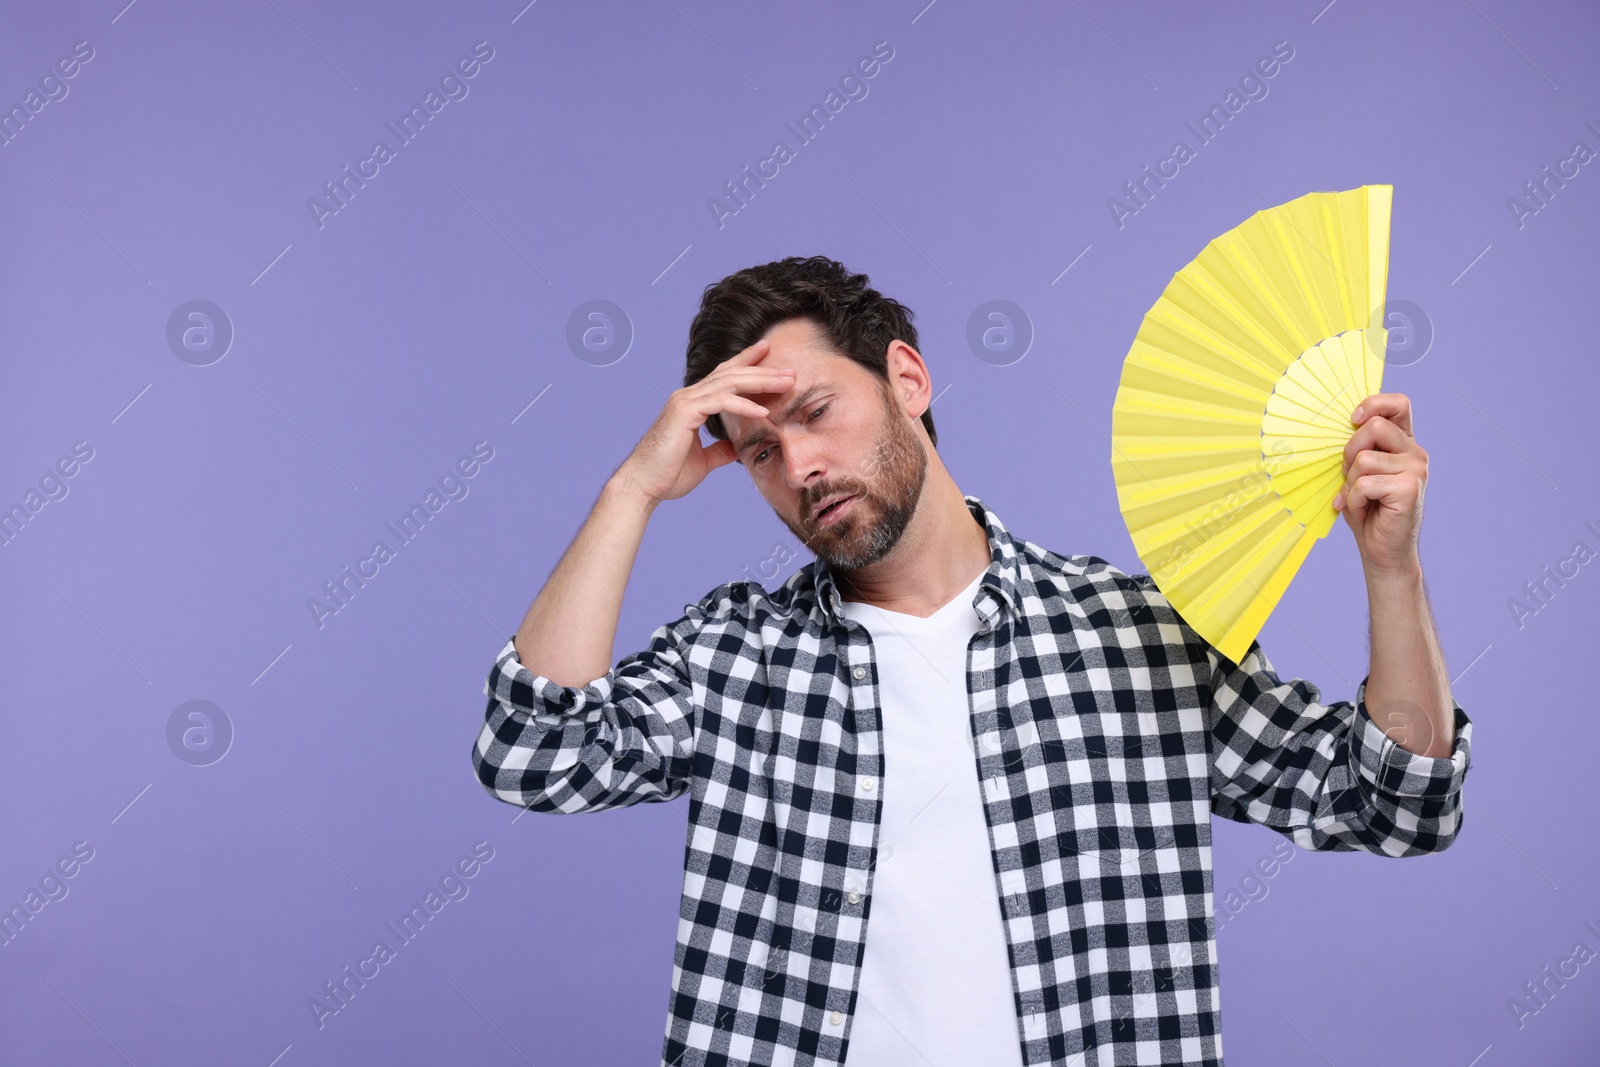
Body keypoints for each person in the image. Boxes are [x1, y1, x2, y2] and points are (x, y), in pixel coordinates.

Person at [471, 256, 1473, 1067]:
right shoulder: (734, 655)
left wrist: (1391, 570)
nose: (800, 466)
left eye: (814, 410)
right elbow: (534, 752)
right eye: (760, 450)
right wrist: (629, 490)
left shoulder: (1129, 635)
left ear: (906, 377)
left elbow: (1395, 801)